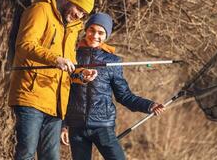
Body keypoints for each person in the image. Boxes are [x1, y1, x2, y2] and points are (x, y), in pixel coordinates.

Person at [8, 0, 98, 160]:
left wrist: (81, 75)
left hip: (56, 103)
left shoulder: (74, 28)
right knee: (26, 152)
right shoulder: (40, 10)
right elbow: (25, 45)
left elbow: (69, 65)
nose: (79, 15)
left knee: (51, 157)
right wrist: (54, 59)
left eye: (83, 13)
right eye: (78, 9)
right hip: (30, 95)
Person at [61, 12, 165, 160]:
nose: (95, 36)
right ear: (86, 29)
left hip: (103, 127)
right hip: (76, 127)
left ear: (106, 36)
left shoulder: (113, 61)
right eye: (92, 30)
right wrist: (63, 125)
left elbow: (124, 96)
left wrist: (149, 105)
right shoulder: (72, 55)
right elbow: (63, 93)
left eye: (101, 33)